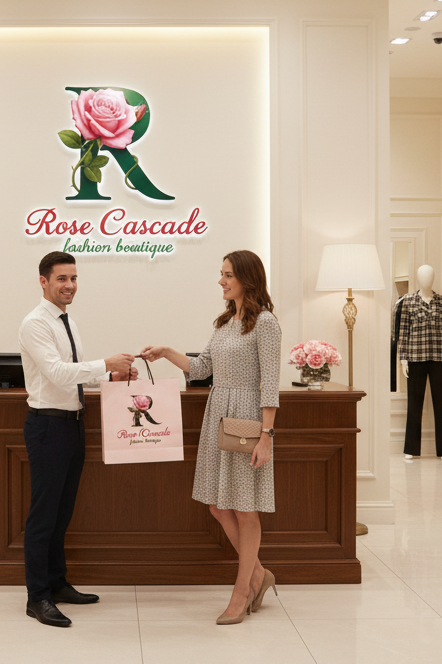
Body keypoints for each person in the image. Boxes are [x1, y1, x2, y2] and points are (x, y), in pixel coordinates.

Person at [139, 249, 281, 625]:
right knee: (218, 505)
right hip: (217, 413)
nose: (221, 280)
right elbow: (202, 368)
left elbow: (270, 383)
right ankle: (258, 574)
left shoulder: (265, 323)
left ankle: (241, 591)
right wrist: (167, 351)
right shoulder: (224, 322)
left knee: (243, 507)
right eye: (221, 273)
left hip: (247, 418)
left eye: (228, 275)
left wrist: (266, 435)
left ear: (247, 279)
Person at [18, 251, 136, 628]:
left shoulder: (67, 321)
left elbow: (73, 376)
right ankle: (37, 597)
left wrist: (109, 379)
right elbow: (54, 373)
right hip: (47, 427)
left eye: (73, 278)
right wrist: (106, 364)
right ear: (43, 281)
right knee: (43, 515)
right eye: (61, 279)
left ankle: (57, 583)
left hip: (72, 425)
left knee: (62, 512)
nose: (69, 285)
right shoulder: (35, 323)